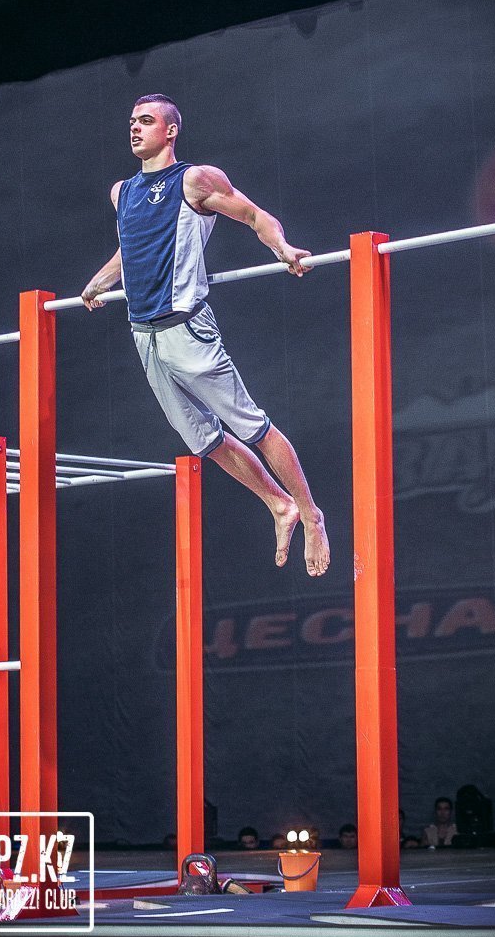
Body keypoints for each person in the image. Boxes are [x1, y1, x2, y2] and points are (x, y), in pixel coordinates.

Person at [82, 94, 330, 577]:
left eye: (146, 121)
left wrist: (282, 249)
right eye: (132, 121)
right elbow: (131, 250)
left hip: (187, 328)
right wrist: (99, 281)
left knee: (252, 427)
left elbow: (255, 216)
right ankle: (279, 505)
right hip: (144, 334)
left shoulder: (193, 180)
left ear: (170, 130)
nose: (135, 128)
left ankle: (311, 514)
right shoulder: (121, 192)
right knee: (204, 441)